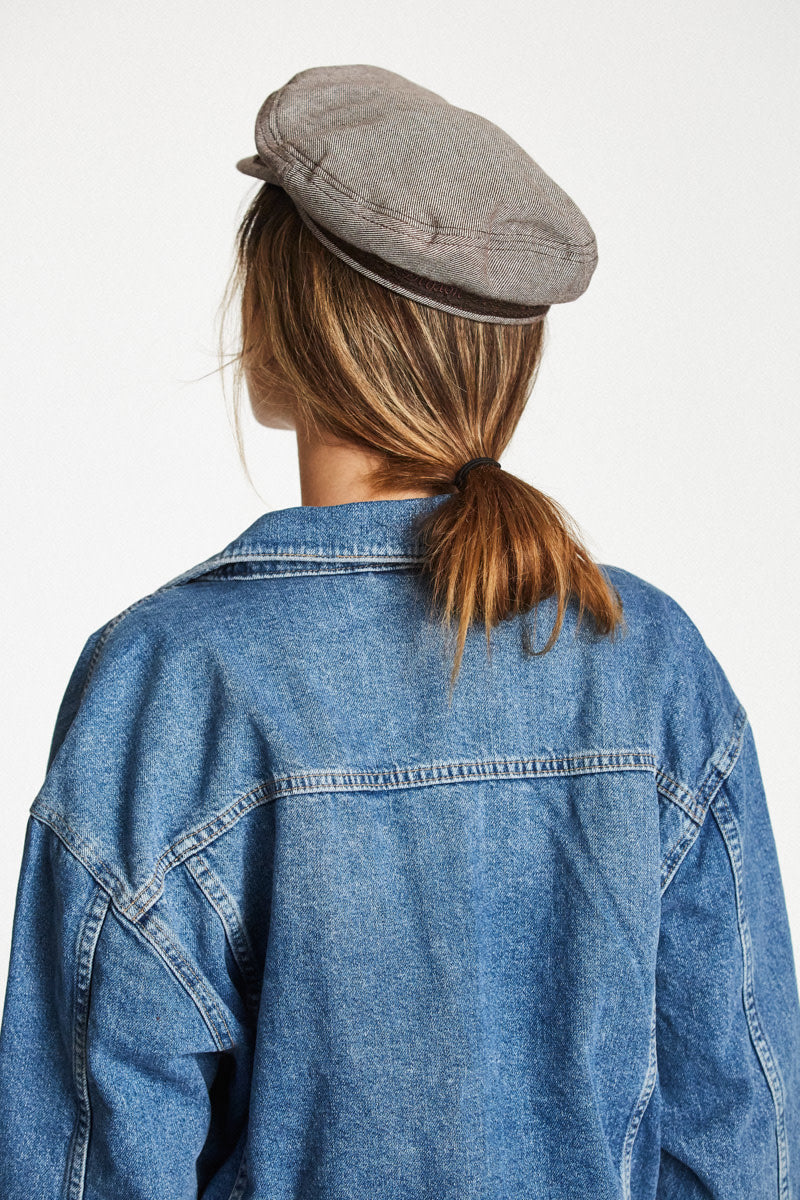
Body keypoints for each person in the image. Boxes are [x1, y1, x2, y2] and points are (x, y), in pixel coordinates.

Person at [0, 63, 798, 1200]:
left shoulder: (172, 682)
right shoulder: (651, 662)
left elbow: (92, 1163)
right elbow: (740, 1144)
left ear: (277, 335)